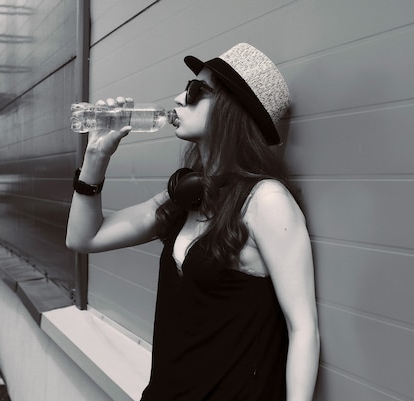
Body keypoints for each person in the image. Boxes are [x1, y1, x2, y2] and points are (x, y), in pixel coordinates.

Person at [66, 43, 320, 401]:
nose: (179, 98)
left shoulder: (267, 202)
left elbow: (303, 327)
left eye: (197, 91)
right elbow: (84, 237)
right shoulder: (186, 195)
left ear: (233, 111)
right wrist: (95, 157)